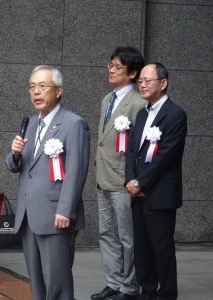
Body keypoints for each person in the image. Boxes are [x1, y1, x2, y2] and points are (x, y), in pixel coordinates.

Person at [6, 65, 90, 300]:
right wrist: (14, 154)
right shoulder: (31, 123)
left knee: (57, 283)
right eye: (32, 87)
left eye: (42, 86)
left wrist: (65, 209)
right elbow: (18, 166)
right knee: (37, 282)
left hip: (55, 215)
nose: (36, 92)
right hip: (28, 215)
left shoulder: (74, 124)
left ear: (59, 90)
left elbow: (76, 171)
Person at [125, 63, 187, 300]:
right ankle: (147, 291)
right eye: (140, 80)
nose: (142, 84)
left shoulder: (175, 115)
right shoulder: (142, 114)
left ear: (163, 83)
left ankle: (167, 294)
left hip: (159, 194)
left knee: (161, 248)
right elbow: (132, 151)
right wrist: (130, 180)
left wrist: (141, 183)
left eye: (147, 80)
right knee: (141, 248)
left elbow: (166, 155)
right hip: (137, 192)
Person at [92, 47, 145, 300]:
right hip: (103, 178)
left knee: (127, 237)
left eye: (117, 67)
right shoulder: (107, 99)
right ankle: (113, 282)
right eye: (110, 65)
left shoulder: (138, 103)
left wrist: (135, 179)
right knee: (107, 234)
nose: (111, 70)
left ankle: (130, 287)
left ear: (133, 73)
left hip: (123, 181)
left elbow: (140, 148)